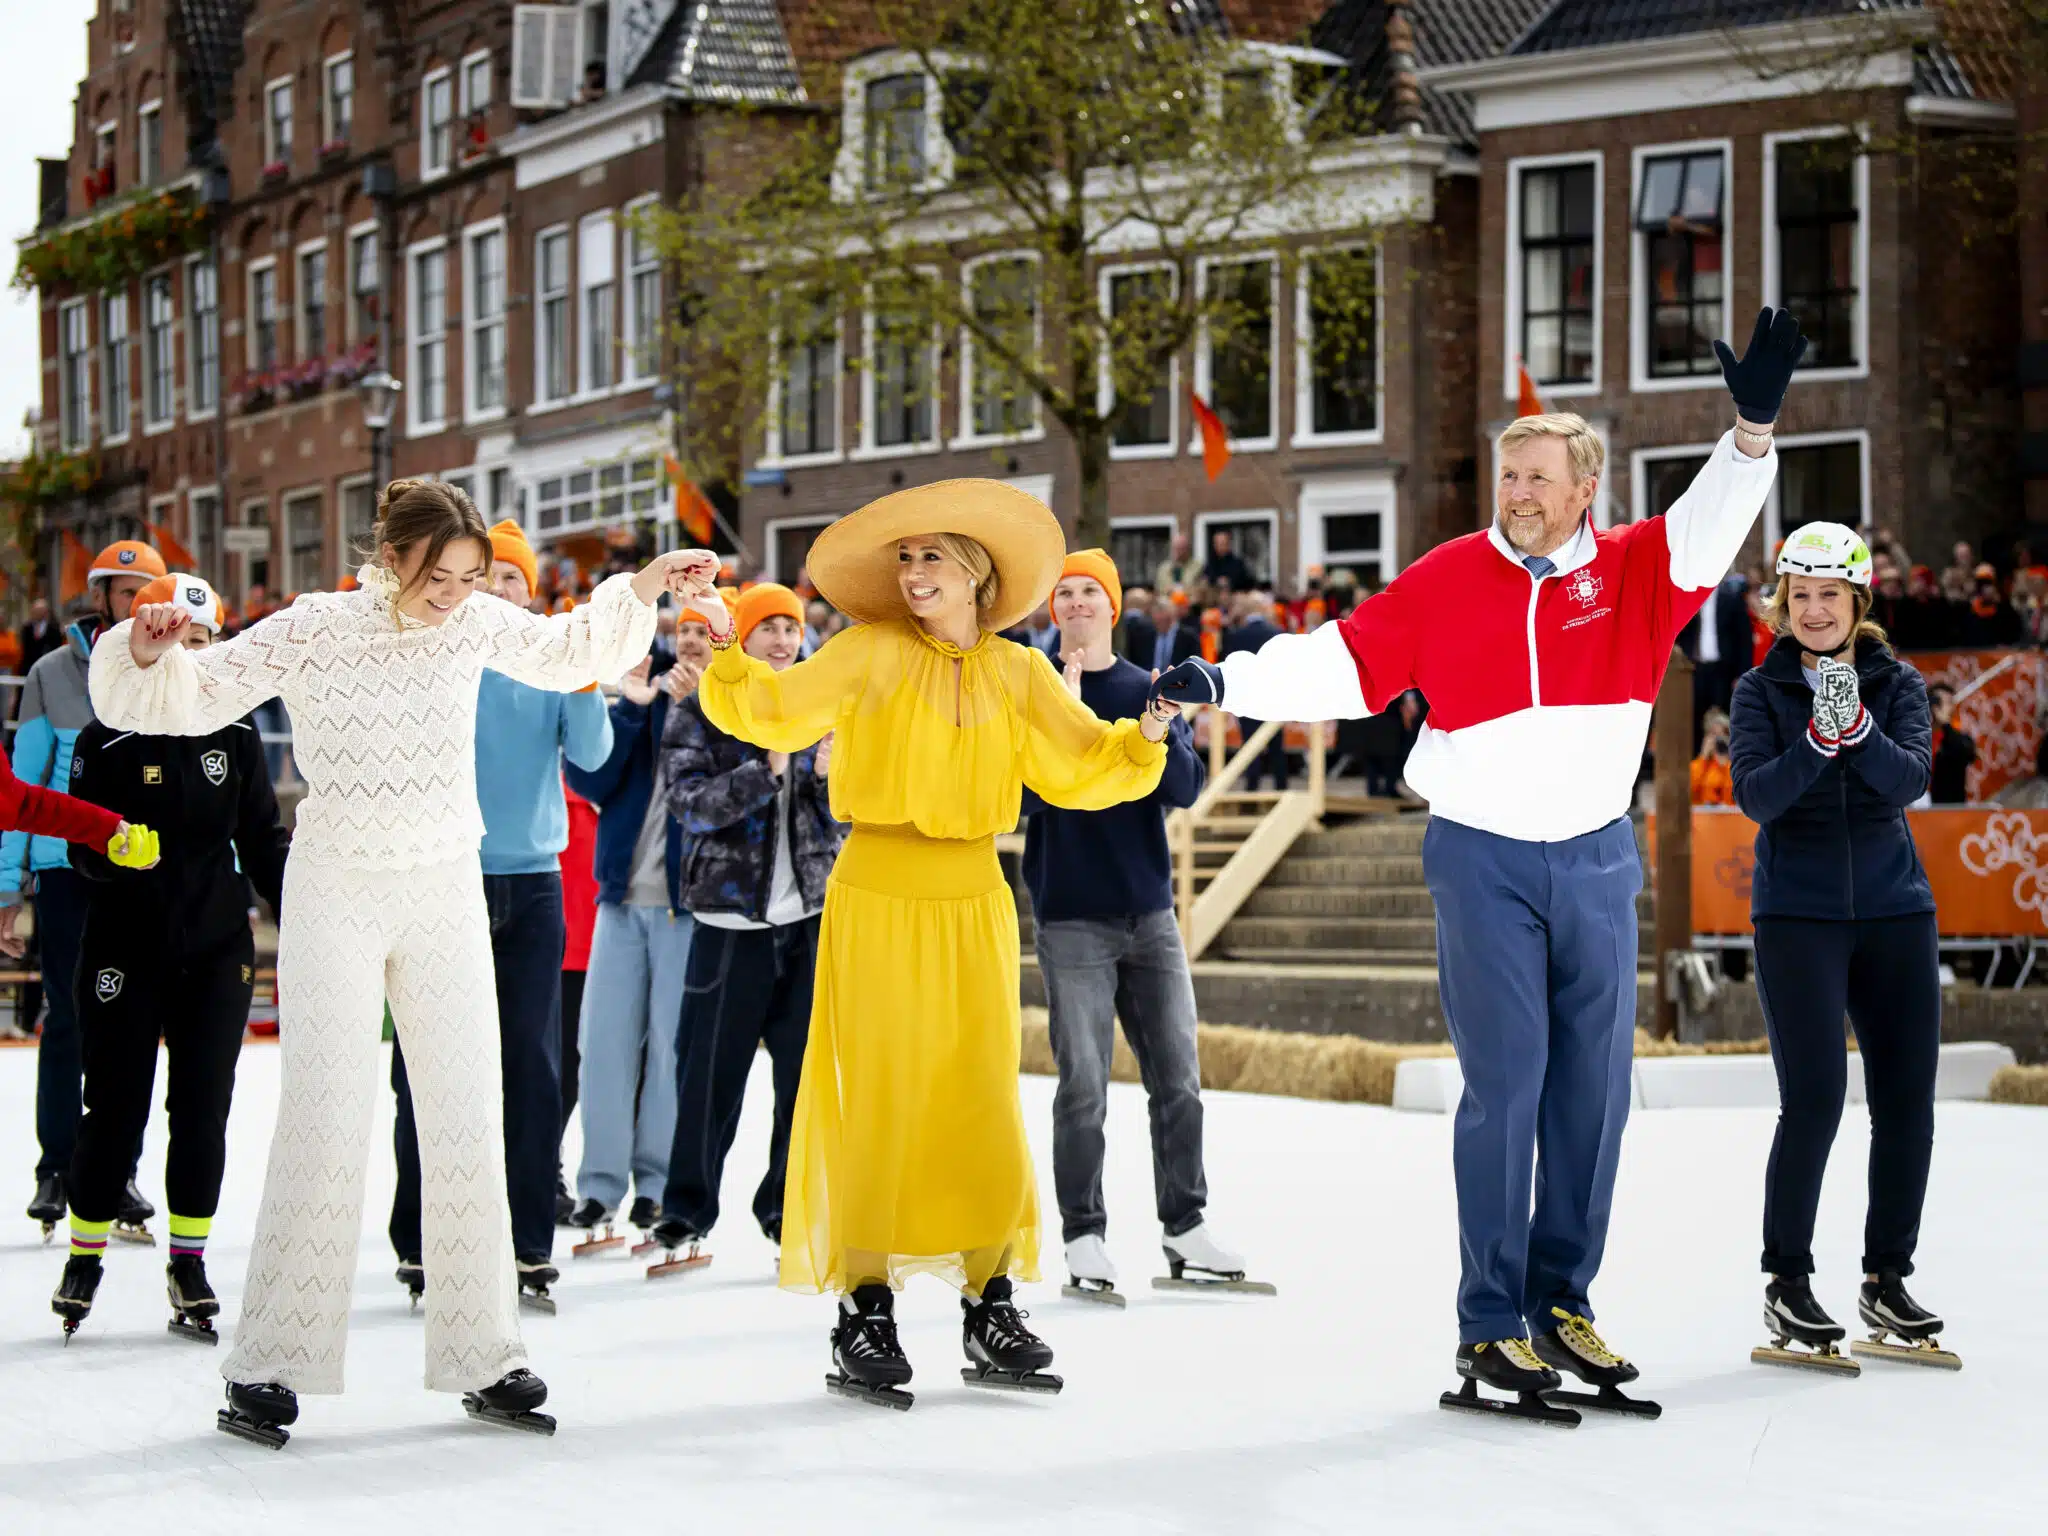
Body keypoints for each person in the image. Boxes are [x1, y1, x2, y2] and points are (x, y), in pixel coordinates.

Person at [1155, 307, 1804, 1421]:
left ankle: (1562, 1301)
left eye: (1536, 477)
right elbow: (1340, 665)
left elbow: (1713, 518)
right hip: (1483, 860)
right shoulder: (1450, 576)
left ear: (1581, 487)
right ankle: (1489, 1322)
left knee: (1593, 1095)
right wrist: (1227, 681)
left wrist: (1748, 428)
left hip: (1597, 858)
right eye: (1506, 477)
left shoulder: (1642, 569)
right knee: (1503, 1091)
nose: (1515, 493)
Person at [90, 478, 691, 1447]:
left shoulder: (474, 625)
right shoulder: (318, 624)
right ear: (393, 554)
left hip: (444, 884)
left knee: (465, 1110)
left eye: (469, 576)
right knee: (328, 1113)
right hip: (338, 889)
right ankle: (269, 1363)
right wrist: (146, 649)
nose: (455, 592)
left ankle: (486, 1352)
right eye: (438, 573)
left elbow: (566, 649)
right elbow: (197, 699)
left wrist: (648, 580)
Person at [681, 479, 1180, 1410]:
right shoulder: (867, 651)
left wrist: (1148, 728)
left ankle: (989, 1298)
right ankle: (864, 1307)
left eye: (931, 559)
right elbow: (776, 711)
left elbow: (1084, 764)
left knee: (978, 1097)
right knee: (880, 1096)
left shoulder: (1021, 672)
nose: (913, 574)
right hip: (875, 891)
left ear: (977, 575)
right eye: (905, 559)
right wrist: (719, 646)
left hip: (974, 897)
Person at [1728, 522, 1950, 1369]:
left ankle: (1886, 1276)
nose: (1814, 611)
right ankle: (1788, 1279)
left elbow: (1908, 783)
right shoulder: (1758, 690)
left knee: (1907, 1105)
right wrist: (1817, 741)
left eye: (1831, 596)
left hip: (1896, 910)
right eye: (1800, 597)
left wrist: (1857, 728)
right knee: (1815, 1101)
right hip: (1800, 916)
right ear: (1782, 606)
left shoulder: (1896, 683)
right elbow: (1757, 797)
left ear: (1859, 603)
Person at [49, 574, 287, 1341]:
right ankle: (85, 1251)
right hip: (126, 942)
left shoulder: (239, 733)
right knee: (115, 1109)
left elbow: (262, 842)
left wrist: (307, 911)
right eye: (174, 639)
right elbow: (79, 848)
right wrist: (113, 854)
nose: (188, 654)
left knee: (203, 1109)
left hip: (217, 946)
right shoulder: (104, 736)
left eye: (202, 640)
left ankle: (189, 1259)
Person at [387, 520, 615, 1312]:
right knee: (426, 1062)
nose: (499, 594)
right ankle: (418, 1239)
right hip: (439, 880)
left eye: (513, 580)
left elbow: (592, 755)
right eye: (485, 581)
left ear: (533, 593)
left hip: (532, 884)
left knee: (532, 1065)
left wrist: (584, 676)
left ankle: (525, 1244)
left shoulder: (551, 665)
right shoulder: (431, 658)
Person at [1020, 551, 1252, 1303]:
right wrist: (1057, 711)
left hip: (1148, 912)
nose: (1078, 602)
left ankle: (1185, 1226)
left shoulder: (1147, 691)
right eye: (1065, 593)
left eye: (1091, 591)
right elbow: (1021, 798)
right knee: (1082, 1084)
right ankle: (1083, 1236)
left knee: (1178, 1080)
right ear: (1051, 611)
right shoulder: (1033, 695)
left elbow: (1185, 787)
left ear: (1113, 607)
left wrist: (1155, 727)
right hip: (1070, 915)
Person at [646, 583, 841, 1268]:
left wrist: (827, 780)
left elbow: (849, 816)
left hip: (810, 917)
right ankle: (686, 1209)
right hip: (730, 921)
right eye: (770, 629)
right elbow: (687, 803)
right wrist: (766, 770)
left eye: (793, 627)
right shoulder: (702, 705)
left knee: (804, 1078)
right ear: (745, 641)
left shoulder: (824, 707)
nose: (785, 640)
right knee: (709, 1074)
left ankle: (785, 1205)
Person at [5, 539, 168, 1242]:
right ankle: (56, 1163)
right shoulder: (50, 673)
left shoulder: (176, 670)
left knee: (128, 1025)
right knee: (68, 1019)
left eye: (146, 592)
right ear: (100, 597)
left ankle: (116, 1168)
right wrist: (10, 889)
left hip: (140, 871)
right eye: (123, 592)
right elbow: (23, 790)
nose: (135, 605)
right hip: (68, 870)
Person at [560, 603, 713, 1248]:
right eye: (686, 632)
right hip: (620, 903)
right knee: (604, 1049)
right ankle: (599, 1190)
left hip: (686, 909)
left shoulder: (730, 709)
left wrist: (701, 708)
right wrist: (630, 706)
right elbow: (588, 776)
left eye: (708, 633)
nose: (695, 643)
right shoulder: (641, 702)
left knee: (671, 1049)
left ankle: (654, 1186)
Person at [556, 779, 598, 1224]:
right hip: (558, 951)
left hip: (592, 952)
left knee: (569, 1074)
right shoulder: (559, 789)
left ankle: (545, 1169)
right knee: (555, 1074)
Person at [1222, 592, 1288, 793]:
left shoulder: (1235, 636)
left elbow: (1228, 666)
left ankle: (1252, 786)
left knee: (1250, 745)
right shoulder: (1276, 633)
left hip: (1246, 697)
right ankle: (1280, 786)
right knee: (1277, 747)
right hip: (1273, 698)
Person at [1926, 683, 1976, 804]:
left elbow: (1968, 753)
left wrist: (1946, 725)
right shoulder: (1917, 736)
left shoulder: (1956, 738)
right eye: (1936, 702)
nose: (1942, 707)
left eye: (1949, 702)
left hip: (1948, 808)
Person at [1139, 594, 1201, 674]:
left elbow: (1195, 665)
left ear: (1173, 616)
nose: (1159, 619)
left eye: (1163, 618)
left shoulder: (1188, 637)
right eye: (1156, 616)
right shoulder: (1145, 636)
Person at [1691, 707, 1736, 806]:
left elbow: (1735, 794)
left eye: (1724, 735)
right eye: (1714, 735)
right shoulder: (1699, 765)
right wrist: (1703, 756)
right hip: (1703, 818)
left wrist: (1726, 763)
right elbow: (1690, 790)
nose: (1719, 740)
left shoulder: (1735, 767)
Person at [1200, 528, 1253, 593]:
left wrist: (1229, 582)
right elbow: (1206, 578)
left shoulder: (1237, 563)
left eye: (1222, 543)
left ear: (1228, 544)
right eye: (1217, 543)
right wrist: (1215, 581)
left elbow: (1245, 582)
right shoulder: (1210, 562)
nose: (1219, 547)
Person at [1153, 531, 1198, 598]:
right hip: (1166, 604)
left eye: (1182, 548)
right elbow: (1158, 591)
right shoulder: (1163, 568)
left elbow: (1197, 590)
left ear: (1188, 549)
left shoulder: (1197, 567)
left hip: (1187, 603)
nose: (1179, 552)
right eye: (1176, 548)